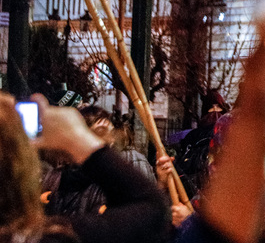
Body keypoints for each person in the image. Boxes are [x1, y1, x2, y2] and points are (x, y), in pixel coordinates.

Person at [0, 92, 170, 243]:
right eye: (98, 132)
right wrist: (79, 140)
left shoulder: (132, 161)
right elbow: (153, 212)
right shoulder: (38, 237)